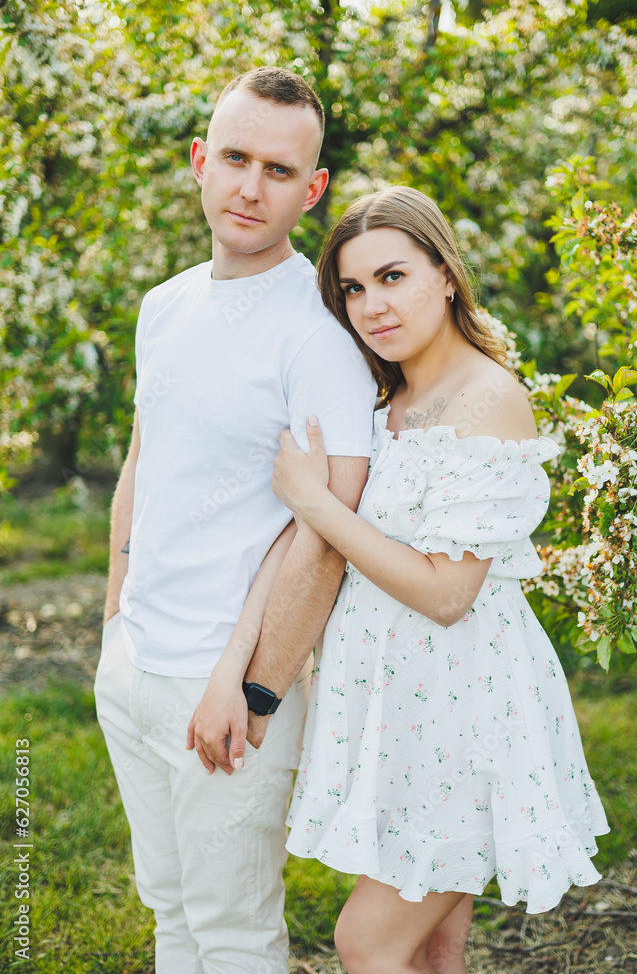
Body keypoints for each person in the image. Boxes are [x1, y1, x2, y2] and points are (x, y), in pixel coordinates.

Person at [269, 186, 609, 974]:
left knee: (365, 941)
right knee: (432, 949)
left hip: (458, 715)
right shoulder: (394, 397)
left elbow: (446, 594)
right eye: (352, 289)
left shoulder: (486, 400)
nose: (371, 306)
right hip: (400, 714)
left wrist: (315, 503)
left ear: (445, 274)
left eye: (392, 277)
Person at [93, 67, 377, 974]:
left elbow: (324, 533)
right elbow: (144, 462)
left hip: (225, 691)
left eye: (280, 171)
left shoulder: (321, 334)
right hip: (134, 666)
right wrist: (113, 623)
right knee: (169, 910)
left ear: (314, 188)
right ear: (199, 161)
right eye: (236, 158)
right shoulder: (163, 305)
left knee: (234, 935)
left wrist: (254, 690)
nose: (252, 187)